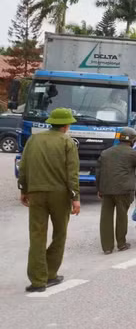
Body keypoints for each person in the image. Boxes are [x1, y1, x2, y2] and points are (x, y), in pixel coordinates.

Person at [17, 108, 80, 293]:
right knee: (59, 234)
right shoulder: (67, 142)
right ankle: (51, 274)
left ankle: (37, 281)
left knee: (37, 235)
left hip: (36, 192)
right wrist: (75, 198)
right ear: (67, 125)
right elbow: (72, 174)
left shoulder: (33, 139)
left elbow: (24, 166)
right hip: (59, 194)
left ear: (51, 122)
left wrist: (24, 189)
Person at [96, 127, 136, 254]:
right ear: (133, 140)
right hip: (124, 191)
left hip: (106, 190)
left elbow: (98, 172)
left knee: (106, 218)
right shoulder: (132, 153)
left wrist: (99, 188)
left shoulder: (106, 152)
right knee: (121, 217)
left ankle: (107, 247)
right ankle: (121, 244)